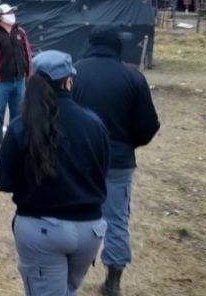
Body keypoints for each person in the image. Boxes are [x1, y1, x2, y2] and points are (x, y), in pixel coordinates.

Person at [0, 50, 110, 296]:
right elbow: (103, 172)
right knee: (68, 290)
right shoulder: (95, 124)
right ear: (69, 82)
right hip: (90, 230)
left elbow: (2, 180)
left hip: (41, 230)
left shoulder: (20, 126)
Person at [71, 26, 160, 296]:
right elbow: (148, 125)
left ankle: (69, 272)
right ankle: (113, 281)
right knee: (117, 218)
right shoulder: (133, 77)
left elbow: (60, 115)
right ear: (117, 47)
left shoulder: (74, 72)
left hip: (79, 159)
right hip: (119, 161)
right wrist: (127, 144)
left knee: (72, 214)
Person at [0, 3, 32, 128]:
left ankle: (15, 140)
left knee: (18, 113)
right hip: (1, 82)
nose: (12, 15)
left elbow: (28, 53)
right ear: (0, 17)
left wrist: (29, 74)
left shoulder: (20, 32)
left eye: (12, 12)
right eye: (8, 13)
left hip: (20, 81)